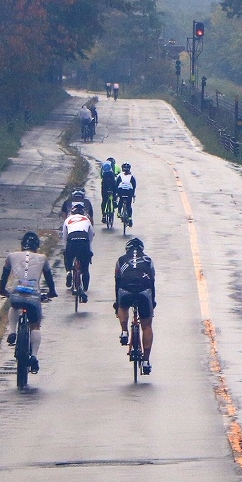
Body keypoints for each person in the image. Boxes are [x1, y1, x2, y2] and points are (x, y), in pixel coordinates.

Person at [0, 232, 58, 374]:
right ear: (37, 246)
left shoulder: (11, 256)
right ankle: (34, 356)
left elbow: (4, 275)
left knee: (14, 305)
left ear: (21, 245)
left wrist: (2, 290)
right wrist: (52, 292)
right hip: (33, 296)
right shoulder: (42, 258)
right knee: (35, 325)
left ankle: (12, 332)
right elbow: (49, 278)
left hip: (16, 293)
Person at [114, 237, 156, 374]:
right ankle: (145, 361)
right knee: (147, 325)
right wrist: (152, 302)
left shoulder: (121, 260)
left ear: (127, 249)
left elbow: (117, 283)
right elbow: (152, 283)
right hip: (144, 291)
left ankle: (124, 331)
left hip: (126, 289)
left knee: (123, 306)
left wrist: (117, 303)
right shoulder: (148, 260)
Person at [61, 201, 94, 301]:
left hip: (72, 240)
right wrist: (89, 252)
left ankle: (68, 272)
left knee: (68, 257)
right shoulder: (87, 220)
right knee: (85, 268)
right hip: (83, 241)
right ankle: (84, 288)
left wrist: (66, 249)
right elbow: (91, 236)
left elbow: (64, 236)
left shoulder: (68, 219)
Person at [116, 162, 137, 227]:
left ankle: (119, 212)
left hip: (121, 191)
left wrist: (116, 194)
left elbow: (116, 184)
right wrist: (133, 194)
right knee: (128, 205)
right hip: (129, 192)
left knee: (120, 201)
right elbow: (134, 186)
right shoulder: (132, 176)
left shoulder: (119, 175)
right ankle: (130, 218)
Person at [99, 157, 117, 224]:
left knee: (104, 200)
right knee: (115, 190)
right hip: (112, 181)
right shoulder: (114, 165)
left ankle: (103, 216)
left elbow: (101, 175)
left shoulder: (103, 166)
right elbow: (116, 174)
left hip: (104, 184)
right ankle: (114, 201)